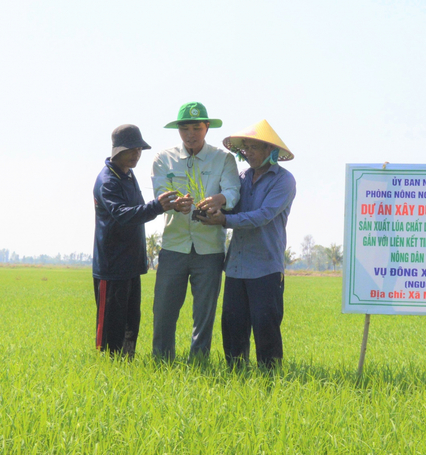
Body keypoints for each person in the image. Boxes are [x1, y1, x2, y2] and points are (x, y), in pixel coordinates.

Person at [199, 120, 296, 369]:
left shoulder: (283, 181)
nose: (249, 153)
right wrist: (211, 209)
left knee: (266, 325)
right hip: (236, 267)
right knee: (232, 325)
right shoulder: (241, 179)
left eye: (254, 148)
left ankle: (269, 376)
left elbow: (263, 216)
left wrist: (224, 220)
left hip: (265, 267)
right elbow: (230, 203)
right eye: (246, 149)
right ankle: (235, 374)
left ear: (270, 151)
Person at [151, 102, 241, 360]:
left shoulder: (223, 158)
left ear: (207, 128)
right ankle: (161, 360)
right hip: (173, 246)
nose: (190, 134)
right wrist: (173, 204)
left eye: (196, 128)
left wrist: (220, 199)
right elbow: (159, 194)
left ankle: (199, 362)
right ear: (178, 130)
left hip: (209, 248)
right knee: (164, 310)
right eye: (185, 128)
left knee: (204, 312)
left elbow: (233, 190)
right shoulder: (163, 159)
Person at [93, 124, 178, 358]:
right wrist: (157, 206)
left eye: (139, 149)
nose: (137, 154)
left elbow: (138, 210)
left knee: (131, 322)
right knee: (111, 326)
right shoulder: (108, 181)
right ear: (118, 150)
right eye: (132, 149)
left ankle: (126, 364)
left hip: (130, 264)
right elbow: (122, 214)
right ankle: (108, 367)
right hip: (111, 267)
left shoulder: (128, 176)